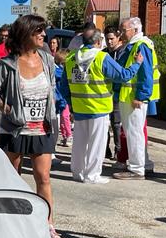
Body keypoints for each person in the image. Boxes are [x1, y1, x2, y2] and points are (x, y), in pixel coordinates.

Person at [0, 14, 70, 238]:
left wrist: (53, 111)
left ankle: (48, 228)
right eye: (39, 31)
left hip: (41, 128)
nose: (44, 35)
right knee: (13, 178)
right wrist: (5, 107)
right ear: (26, 34)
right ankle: (13, 225)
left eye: (44, 31)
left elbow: (52, 87)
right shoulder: (7, 64)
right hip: (14, 128)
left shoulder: (46, 59)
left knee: (43, 177)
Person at [58, 28, 142, 184]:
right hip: (99, 108)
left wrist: (71, 103)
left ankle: (77, 172)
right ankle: (92, 175)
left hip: (79, 108)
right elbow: (123, 76)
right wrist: (137, 64)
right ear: (98, 42)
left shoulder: (70, 58)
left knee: (79, 143)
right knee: (97, 144)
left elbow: (63, 87)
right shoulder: (101, 57)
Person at [113, 17, 160, 180]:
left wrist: (140, 96)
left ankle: (137, 168)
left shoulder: (141, 45)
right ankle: (139, 165)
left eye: (123, 30)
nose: (121, 33)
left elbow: (145, 73)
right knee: (134, 132)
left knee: (134, 133)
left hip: (134, 98)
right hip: (130, 97)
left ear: (134, 30)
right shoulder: (136, 45)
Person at [104, 27, 127, 160]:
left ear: (118, 38)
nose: (109, 42)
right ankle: (105, 149)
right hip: (105, 93)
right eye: (107, 39)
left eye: (112, 39)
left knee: (116, 123)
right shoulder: (103, 53)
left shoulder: (123, 53)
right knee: (104, 124)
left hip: (117, 93)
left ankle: (118, 150)